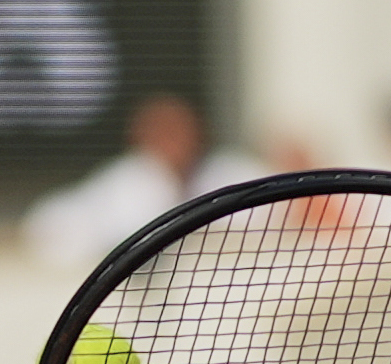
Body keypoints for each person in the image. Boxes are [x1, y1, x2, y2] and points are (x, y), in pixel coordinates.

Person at [23, 93, 260, 264]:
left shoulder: (226, 170)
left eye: (181, 131)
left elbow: (281, 210)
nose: (176, 143)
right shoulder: (122, 184)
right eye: (164, 133)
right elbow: (48, 226)